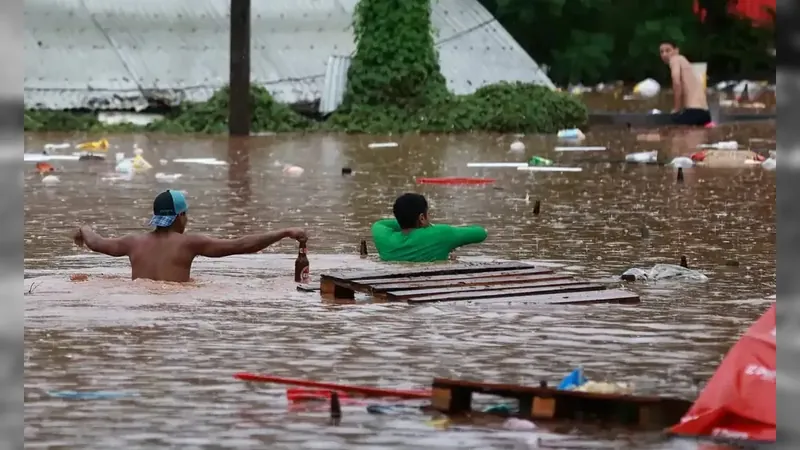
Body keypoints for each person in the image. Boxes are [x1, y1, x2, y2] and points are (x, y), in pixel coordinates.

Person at [71, 189, 308, 282]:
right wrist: (284, 232)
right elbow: (241, 245)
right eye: (185, 215)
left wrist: (84, 229)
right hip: (176, 305)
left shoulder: (133, 242)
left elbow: (96, 243)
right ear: (179, 217)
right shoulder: (189, 243)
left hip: (138, 300)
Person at [371, 193, 487, 262]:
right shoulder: (440, 234)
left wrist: (404, 219)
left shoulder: (384, 238)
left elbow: (380, 224)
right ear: (422, 217)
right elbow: (481, 233)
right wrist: (430, 226)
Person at [659, 41, 711, 126]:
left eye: (668, 50)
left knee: (669, 131)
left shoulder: (675, 59)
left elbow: (676, 83)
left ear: (676, 51)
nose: (664, 54)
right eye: (662, 52)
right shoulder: (685, 63)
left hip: (694, 112)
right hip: (705, 113)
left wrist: (676, 109)